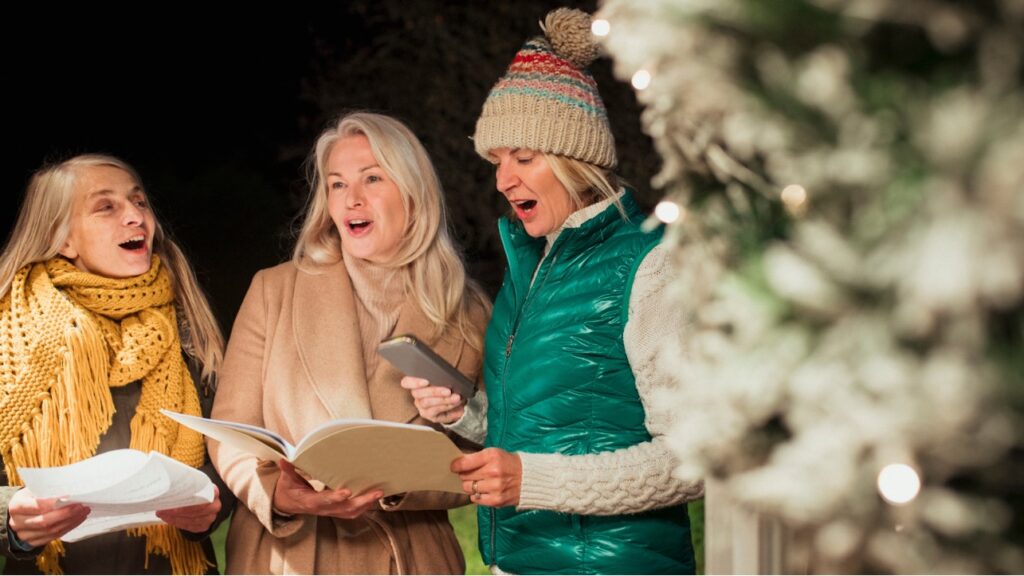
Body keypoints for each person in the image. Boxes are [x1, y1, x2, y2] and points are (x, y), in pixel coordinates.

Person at [402, 8, 703, 574]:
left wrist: (530, 480)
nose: (503, 178)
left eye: (524, 157)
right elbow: (547, 425)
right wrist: (465, 414)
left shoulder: (651, 263)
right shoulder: (531, 271)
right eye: (496, 160)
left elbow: (691, 460)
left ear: (575, 161)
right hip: (519, 561)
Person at [208, 112, 490, 574]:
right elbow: (232, 429)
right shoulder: (274, 290)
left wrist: (398, 483)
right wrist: (278, 494)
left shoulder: (470, 313)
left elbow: (484, 456)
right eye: (337, 184)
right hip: (290, 553)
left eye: (372, 179)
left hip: (410, 557)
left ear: (414, 195)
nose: (351, 199)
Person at [0, 154, 234, 574]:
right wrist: (9, 519)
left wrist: (210, 505)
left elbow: (229, 457)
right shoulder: (9, 334)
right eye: (106, 207)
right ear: (63, 238)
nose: (135, 217)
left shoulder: (188, 327)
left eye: (139, 203)